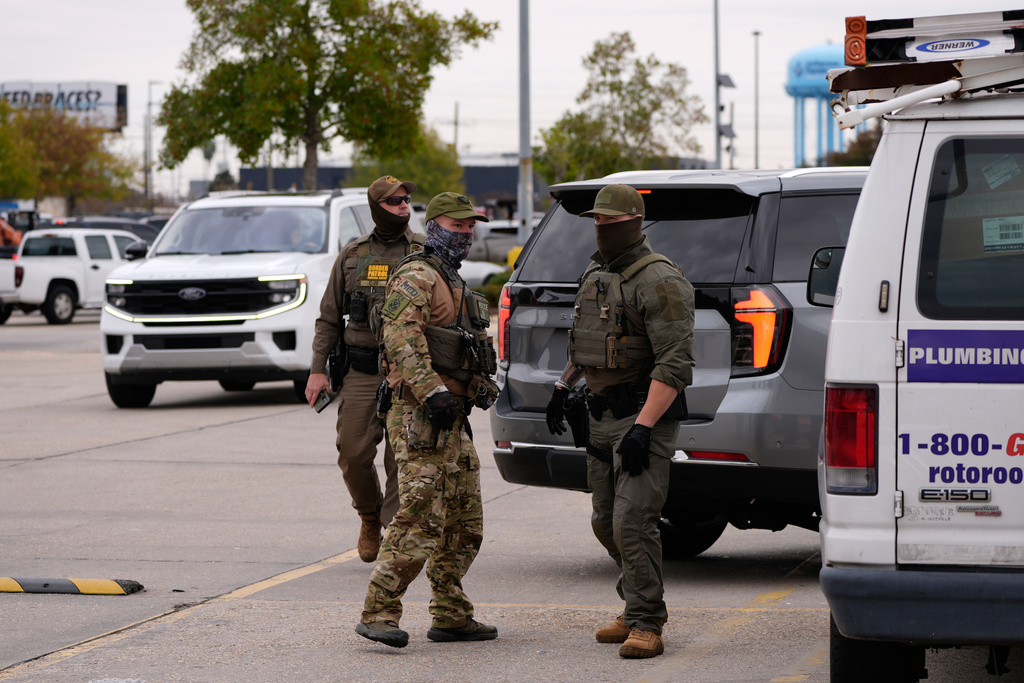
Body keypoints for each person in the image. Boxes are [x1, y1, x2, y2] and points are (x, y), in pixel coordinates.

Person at [545, 184, 694, 659]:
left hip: (640, 416)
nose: (601, 228)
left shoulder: (659, 280)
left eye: (610, 221)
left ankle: (648, 621)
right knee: (605, 521)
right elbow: (588, 340)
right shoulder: (597, 272)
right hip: (601, 415)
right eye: (597, 221)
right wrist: (563, 386)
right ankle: (634, 605)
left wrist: (643, 427)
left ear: (634, 222)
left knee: (633, 521)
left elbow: (675, 363)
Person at [355, 192, 500, 649]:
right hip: (420, 414)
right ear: (434, 226)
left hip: (454, 418)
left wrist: (478, 387)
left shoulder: (453, 282)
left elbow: (460, 346)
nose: (466, 235)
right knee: (418, 517)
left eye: (470, 228)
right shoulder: (417, 275)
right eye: (457, 227)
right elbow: (401, 337)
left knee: (464, 521)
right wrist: (432, 391)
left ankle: (451, 614)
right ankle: (379, 611)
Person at [306, 175, 425, 563]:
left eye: (407, 200)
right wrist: (317, 370)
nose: (404, 207)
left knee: (400, 457)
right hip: (362, 370)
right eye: (394, 201)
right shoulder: (352, 256)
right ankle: (369, 516)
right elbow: (328, 319)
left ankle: (393, 531)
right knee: (353, 452)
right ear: (377, 207)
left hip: (407, 371)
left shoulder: (423, 252)